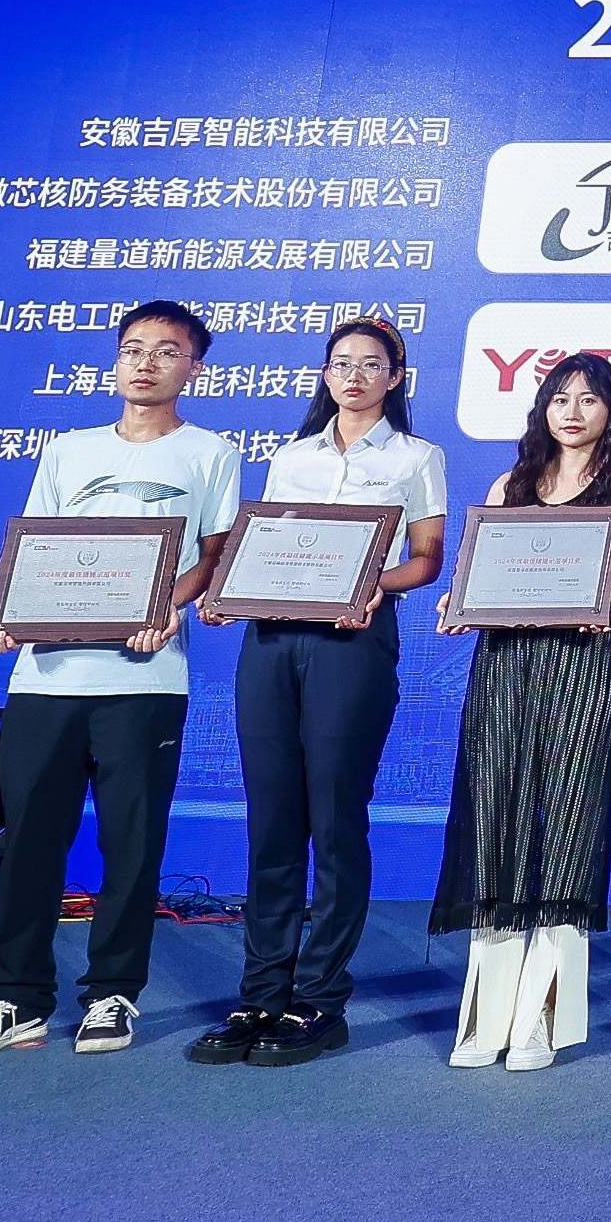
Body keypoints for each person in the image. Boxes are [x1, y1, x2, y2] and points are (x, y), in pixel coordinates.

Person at [0, 298, 239, 1059]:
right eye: (133, 348)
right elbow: (34, 549)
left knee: (130, 845)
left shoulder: (211, 453)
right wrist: (1, 614)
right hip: (46, 677)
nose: (145, 363)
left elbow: (213, 558)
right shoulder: (67, 450)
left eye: (165, 351)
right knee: (30, 842)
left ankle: (113, 992)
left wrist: (166, 607)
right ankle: (17, 998)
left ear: (193, 368)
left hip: (145, 678)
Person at [188, 317, 446, 1070]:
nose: (354, 376)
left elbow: (427, 558)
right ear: (325, 375)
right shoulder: (292, 455)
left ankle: (320, 999)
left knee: (334, 819)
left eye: (371, 364)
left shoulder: (416, 456)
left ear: (395, 376)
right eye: (340, 364)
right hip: (271, 640)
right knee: (272, 821)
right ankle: (259, 992)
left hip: (352, 641)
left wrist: (371, 583)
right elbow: (267, 546)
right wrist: (228, 590)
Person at [432, 351, 611, 1071]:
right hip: (504, 664)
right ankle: (484, 1019)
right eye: (560, 398)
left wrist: (610, 592)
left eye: (589, 399)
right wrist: (460, 598)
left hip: (582, 664)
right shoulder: (509, 484)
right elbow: (478, 570)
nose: (572, 411)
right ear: (542, 408)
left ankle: (539, 1019)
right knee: (495, 823)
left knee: (568, 828)